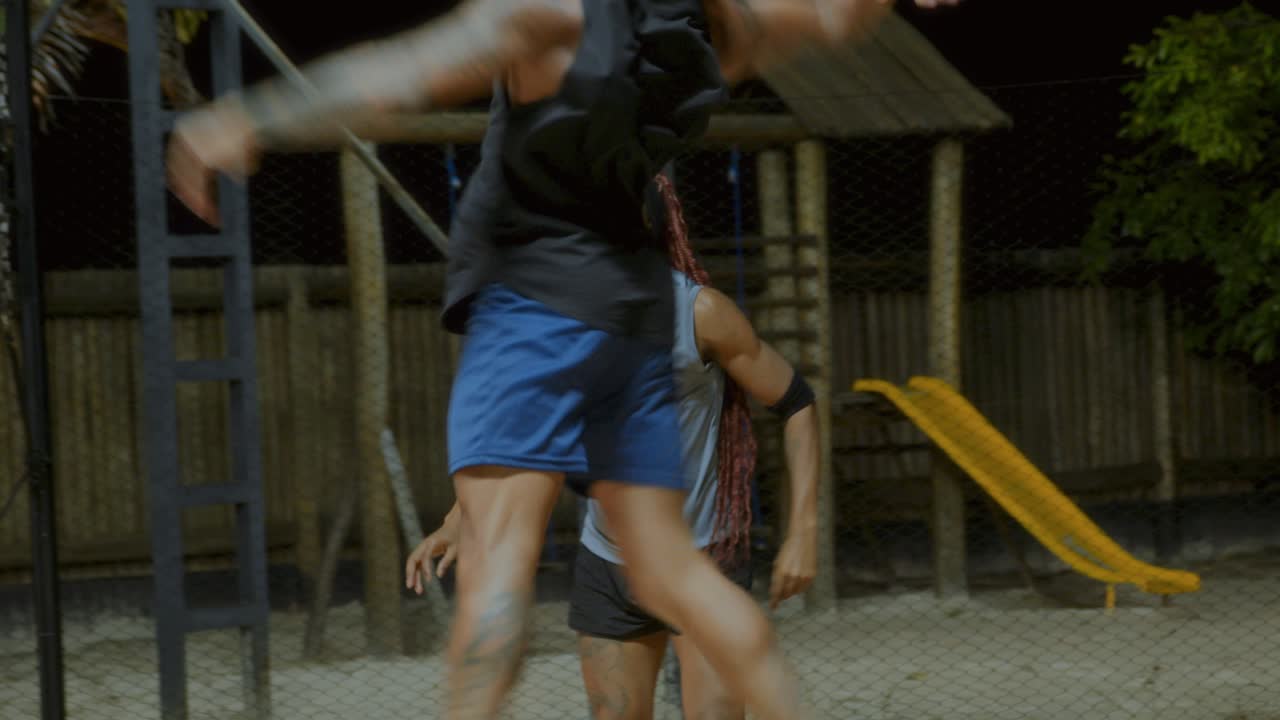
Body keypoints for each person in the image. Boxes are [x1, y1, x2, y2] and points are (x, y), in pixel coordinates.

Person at [164, 2, 957, 718]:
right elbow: (825, 19)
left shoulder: (553, 15)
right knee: (673, 572)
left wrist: (250, 118)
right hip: (636, 308)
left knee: (496, 569)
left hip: (531, 300)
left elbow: (398, 74)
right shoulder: (703, 31)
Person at [407, 172, 823, 720]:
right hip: (609, 563)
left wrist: (804, 533)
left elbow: (797, 404)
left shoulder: (699, 314)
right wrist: (458, 518)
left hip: (705, 557)